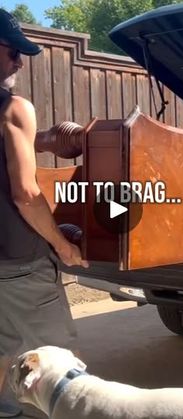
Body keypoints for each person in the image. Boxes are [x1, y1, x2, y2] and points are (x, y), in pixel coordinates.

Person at [0, 9, 88, 417]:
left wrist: (44, 141)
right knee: (59, 362)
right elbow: (25, 194)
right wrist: (62, 246)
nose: (20, 61)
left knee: (3, 350)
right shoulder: (14, 108)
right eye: (13, 51)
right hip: (19, 262)